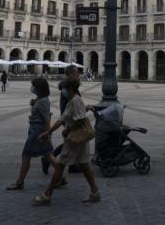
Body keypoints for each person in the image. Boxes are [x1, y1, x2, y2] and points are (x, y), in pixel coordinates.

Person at [34, 76, 100, 206]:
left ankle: (47, 195)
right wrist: (49, 132)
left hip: (75, 139)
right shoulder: (73, 100)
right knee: (84, 165)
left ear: (70, 88)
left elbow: (80, 120)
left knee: (60, 165)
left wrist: (68, 129)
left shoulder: (75, 101)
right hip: (78, 139)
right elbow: (62, 119)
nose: (62, 91)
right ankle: (95, 192)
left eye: (63, 89)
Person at [7, 77, 58, 191]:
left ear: (39, 88)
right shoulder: (41, 100)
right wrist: (34, 103)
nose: (32, 88)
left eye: (34, 86)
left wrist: (48, 134)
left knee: (26, 155)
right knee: (48, 154)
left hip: (38, 132)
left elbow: (46, 119)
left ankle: (20, 182)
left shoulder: (43, 101)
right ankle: (62, 178)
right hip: (36, 129)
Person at [43, 65, 81, 175]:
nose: (78, 74)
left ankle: (72, 165)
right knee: (72, 142)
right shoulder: (66, 86)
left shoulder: (69, 84)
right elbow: (71, 101)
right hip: (69, 117)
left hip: (70, 116)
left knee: (73, 142)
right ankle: (49, 159)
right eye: (76, 72)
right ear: (70, 74)